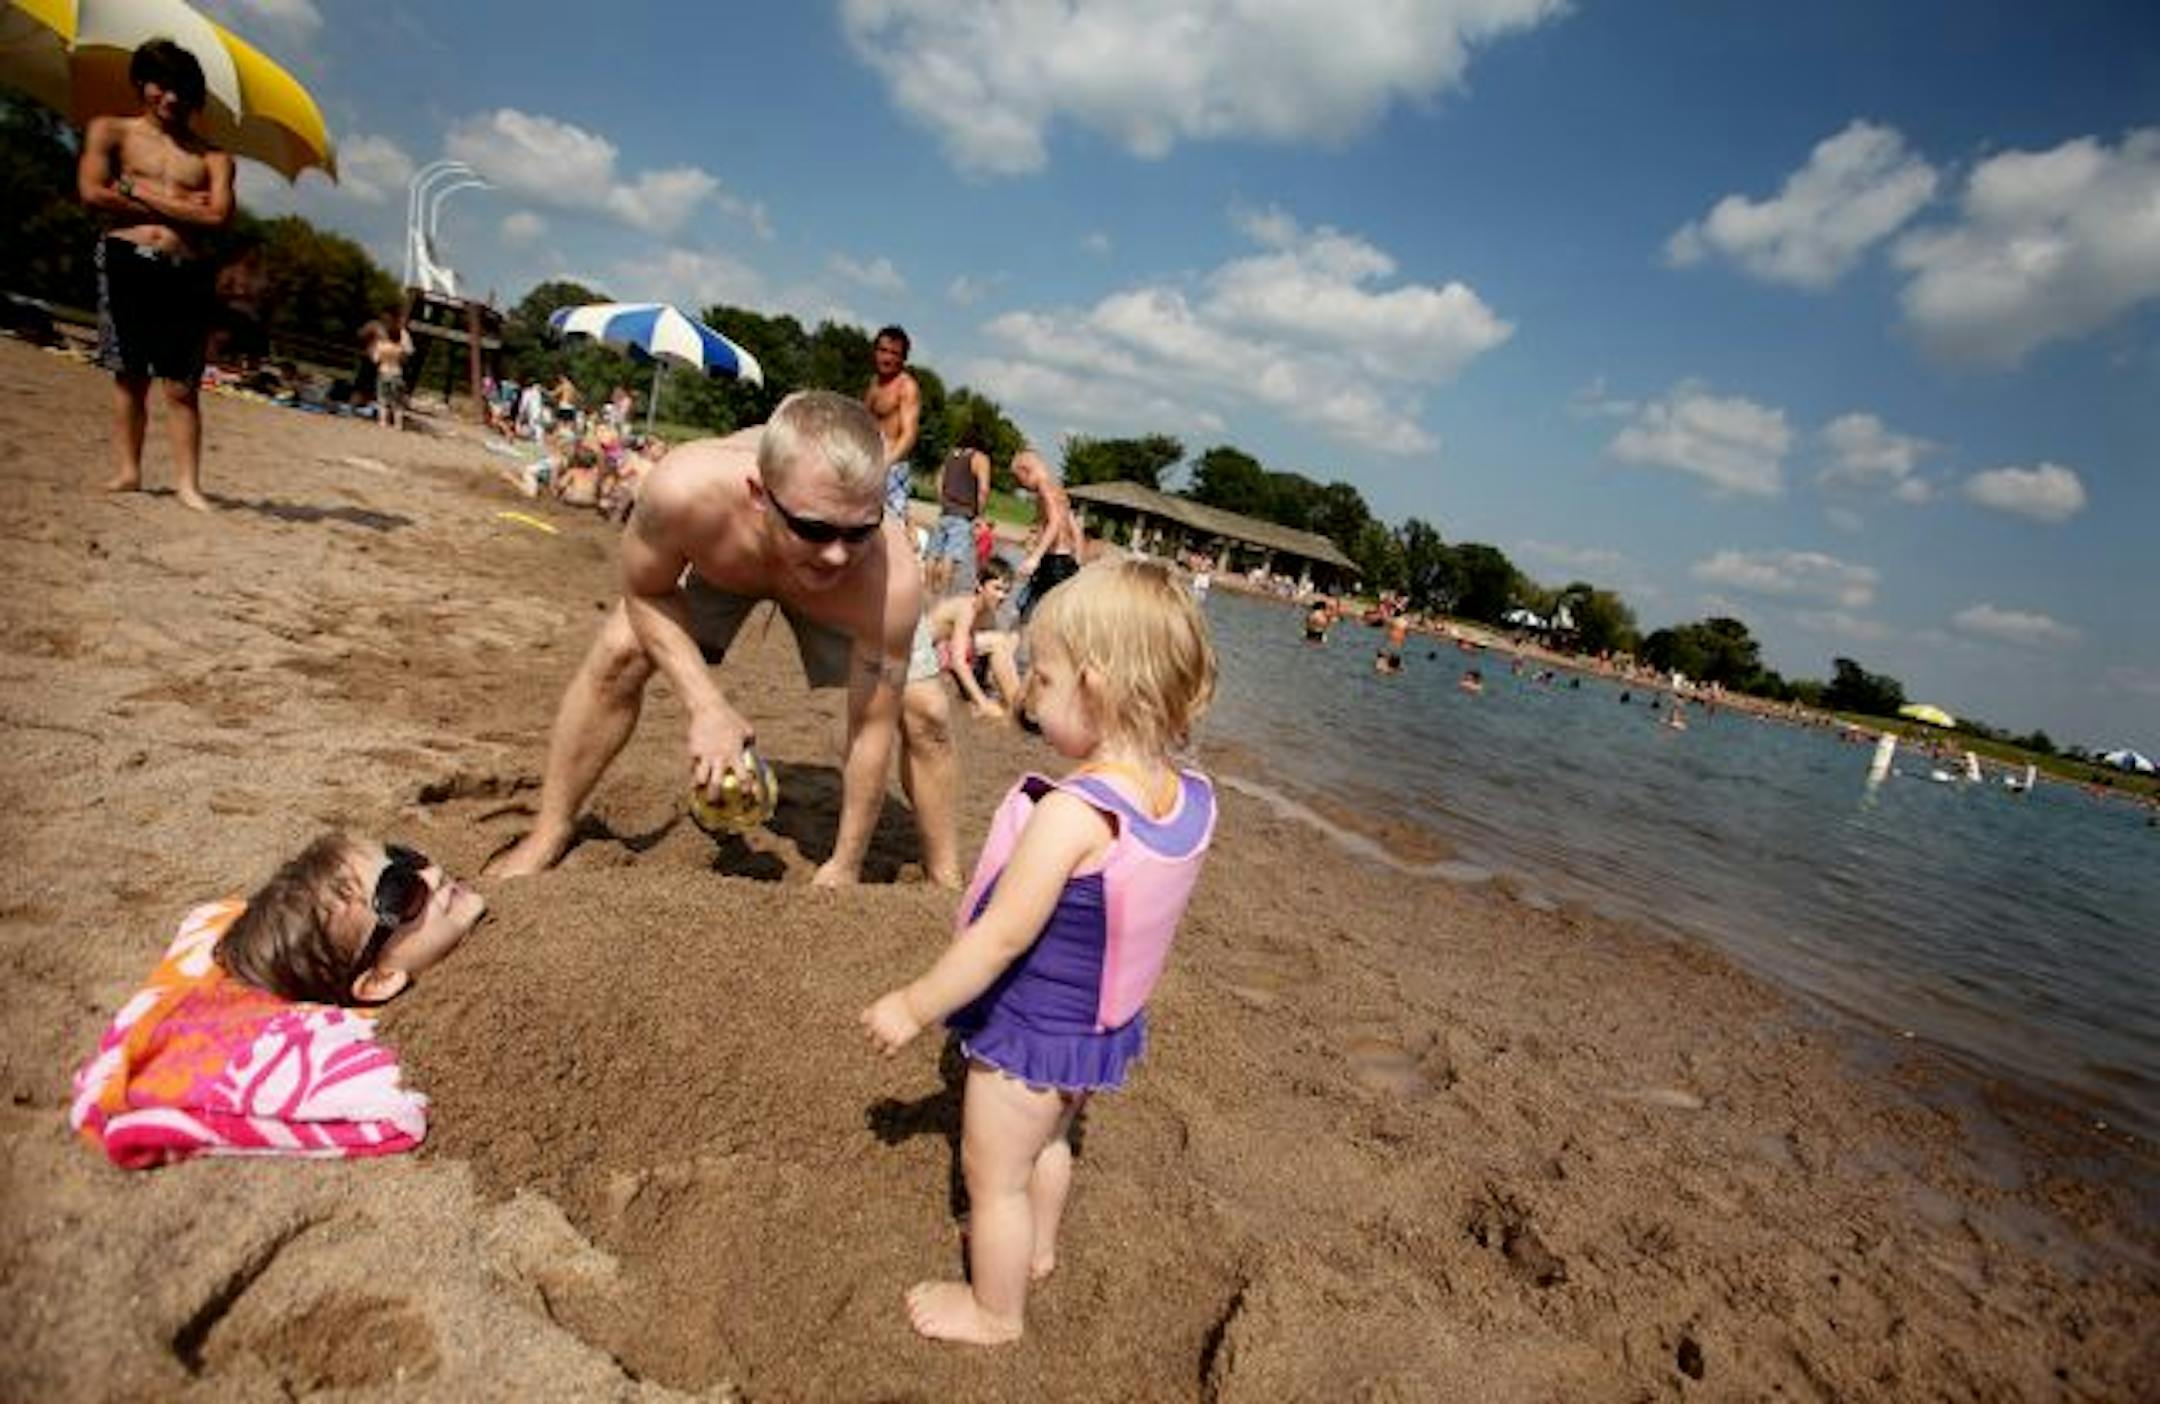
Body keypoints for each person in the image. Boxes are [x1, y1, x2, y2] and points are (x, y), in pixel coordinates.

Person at [862, 559, 1219, 1345]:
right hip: (1095, 1033)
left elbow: (1002, 936)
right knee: (1051, 1142)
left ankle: (994, 1312)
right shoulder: (1181, 796)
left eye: (1043, 678)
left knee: (993, 1179)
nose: (1028, 694)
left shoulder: (1074, 815)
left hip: (1031, 1036)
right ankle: (1038, 1250)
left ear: (1096, 686)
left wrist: (915, 1005)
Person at [489, 391, 961, 887]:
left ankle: (946, 880)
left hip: (845, 597)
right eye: (813, 529)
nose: (838, 554)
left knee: (926, 711)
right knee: (619, 652)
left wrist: (845, 864)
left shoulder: (890, 573)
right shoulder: (683, 491)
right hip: (726, 560)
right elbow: (645, 593)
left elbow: (870, 726)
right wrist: (707, 706)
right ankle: (549, 830)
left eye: (859, 531)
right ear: (759, 494)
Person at [69, 833, 485, 1167]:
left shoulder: (434, 894)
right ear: (378, 981)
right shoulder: (433, 1040)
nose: (433, 873)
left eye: (406, 857)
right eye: (401, 893)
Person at [75, 39, 236, 512]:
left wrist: (135, 190)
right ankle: (129, 470)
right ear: (141, 84)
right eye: (160, 85)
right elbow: (92, 193)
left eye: (181, 89)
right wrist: (184, 207)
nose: (170, 98)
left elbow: (218, 217)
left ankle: (189, 484)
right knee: (129, 375)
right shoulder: (111, 131)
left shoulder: (214, 158)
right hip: (126, 258)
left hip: (185, 270)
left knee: (182, 385)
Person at [926, 558, 1020, 720]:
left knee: (1011, 638)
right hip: (924, 654)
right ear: (979, 585)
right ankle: (1015, 705)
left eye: (1006, 591)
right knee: (998, 641)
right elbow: (958, 661)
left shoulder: (988, 613)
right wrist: (983, 702)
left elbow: (991, 656)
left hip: (945, 650)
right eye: (997, 588)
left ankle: (1015, 701)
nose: (1002, 596)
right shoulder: (967, 608)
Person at [1010, 449, 1082, 621]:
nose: (1023, 487)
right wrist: (1077, 562)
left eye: (1020, 481)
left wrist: (1035, 557)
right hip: (1067, 562)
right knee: (1054, 614)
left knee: (1028, 612)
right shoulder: (1059, 489)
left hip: (1053, 562)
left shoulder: (1044, 487)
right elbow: (1076, 530)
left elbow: (1054, 523)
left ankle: (1017, 635)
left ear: (1026, 472)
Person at [927, 425, 992, 598]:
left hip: (945, 511)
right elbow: (984, 489)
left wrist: (943, 500)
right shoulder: (980, 458)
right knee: (951, 557)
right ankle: (943, 596)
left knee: (933, 554)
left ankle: (927, 593)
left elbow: (938, 479)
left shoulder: (951, 454)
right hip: (963, 515)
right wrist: (980, 514)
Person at [863, 325, 920, 519]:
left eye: (894, 353)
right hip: (869, 461)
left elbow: (909, 434)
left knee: (890, 525)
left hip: (891, 466)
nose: (887, 358)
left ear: (903, 358)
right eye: (883, 350)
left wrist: (886, 463)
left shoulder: (906, 386)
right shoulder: (874, 383)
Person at [369, 309, 414, 432]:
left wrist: (373, 347)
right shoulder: (399, 348)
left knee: (383, 400)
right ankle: (398, 424)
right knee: (397, 402)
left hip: (383, 372)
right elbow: (405, 358)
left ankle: (383, 421)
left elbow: (375, 359)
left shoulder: (381, 346)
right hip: (396, 373)